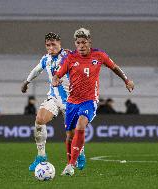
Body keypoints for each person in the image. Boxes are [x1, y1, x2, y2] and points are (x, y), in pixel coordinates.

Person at [52, 28, 134, 176]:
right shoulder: (70, 58)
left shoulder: (99, 55)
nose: (81, 45)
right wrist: (55, 80)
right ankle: (76, 155)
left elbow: (114, 67)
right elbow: (58, 74)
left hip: (89, 100)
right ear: (75, 44)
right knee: (70, 136)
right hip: (72, 102)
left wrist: (126, 80)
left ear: (89, 42)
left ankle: (70, 165)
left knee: (81, 124)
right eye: (78, 43)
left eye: (84, 42)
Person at [21, 32, 86, 172]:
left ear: (59, 43)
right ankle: (41, 156)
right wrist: (26, 82)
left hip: (71, 101)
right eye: (48, 45)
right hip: (54, 99)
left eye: (53, 44)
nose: (51, 47)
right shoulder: (46, 59)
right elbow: (37, 70)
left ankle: (80, 154)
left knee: (73, 133)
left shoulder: (70, 55)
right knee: (39, 120)